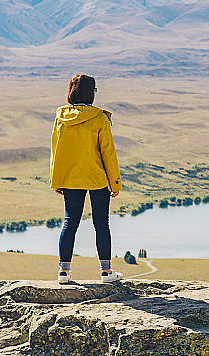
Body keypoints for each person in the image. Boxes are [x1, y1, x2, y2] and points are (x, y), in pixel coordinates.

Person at [50, 73, 123, 284]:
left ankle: (63, 273)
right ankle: (107, 272)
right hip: (98, 179)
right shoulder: (100, 118)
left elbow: (57, 151)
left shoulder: (61, 118)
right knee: (101, 224)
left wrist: (57, 180)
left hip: (71, 179)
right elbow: (108, 153)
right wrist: (115, 183)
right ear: (91, 93)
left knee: (70, 223)